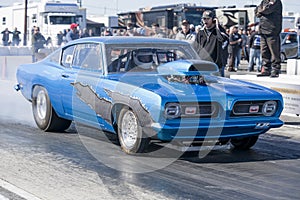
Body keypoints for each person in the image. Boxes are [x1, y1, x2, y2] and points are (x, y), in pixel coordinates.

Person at [195, 10, 229, 77]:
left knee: (219, 86)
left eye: (208, 19)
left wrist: (217, 25)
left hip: (216, 66)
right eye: (204, 19)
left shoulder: (219, 31)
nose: (205, 21)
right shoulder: (200, 33)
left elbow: (222, 39)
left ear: (213, 19)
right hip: (203, 66)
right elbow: (196, 48)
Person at [255, 0, 282, 77]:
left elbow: (267, 10)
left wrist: (261, 10)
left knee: (274, 52)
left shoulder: (276, 1)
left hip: (272, 30)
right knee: (264, 51)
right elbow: (256, 11)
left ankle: (276, 70)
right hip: (263, 30)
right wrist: (260, 10)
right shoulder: (264, 2)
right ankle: (266, 69)